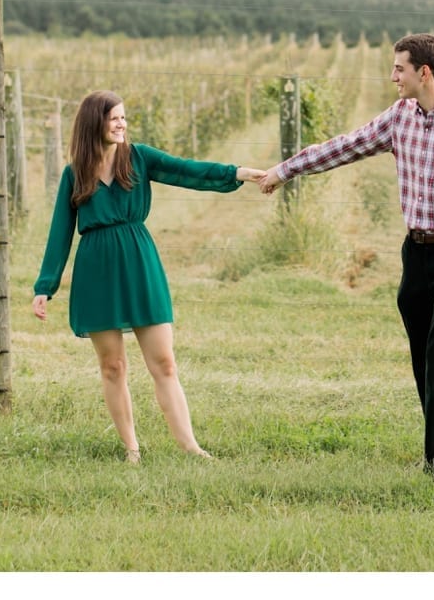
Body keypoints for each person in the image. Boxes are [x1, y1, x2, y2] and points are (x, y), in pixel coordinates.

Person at [259, 33, 434, 475]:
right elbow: (345, 146)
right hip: (415, 253)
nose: (392, 76)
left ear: (424, 72)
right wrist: (284, 170)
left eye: (399, 68)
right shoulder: (400, 117)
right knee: (423, 355)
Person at [32, 90, 265, 463]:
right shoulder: (74, 174)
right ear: (96, 123)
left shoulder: (138, 158)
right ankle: (131, 449)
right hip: (96, 272)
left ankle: (191, 447)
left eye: (124, 117)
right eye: (114, 118)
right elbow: (60, 231)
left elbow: (186, 169)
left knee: (164, 363)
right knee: (113, 366)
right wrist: (45, 286)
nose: (122, 124)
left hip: (140, 263)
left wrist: (235, 173)